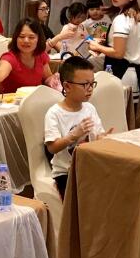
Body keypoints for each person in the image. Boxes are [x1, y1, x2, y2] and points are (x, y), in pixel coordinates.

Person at [44, 57, 109, 199]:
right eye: (85, 84)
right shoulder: (55, 113)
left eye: (92, 84)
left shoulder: (89, 108)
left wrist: (103, 138)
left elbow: (98, 136)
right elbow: (52, 148)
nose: (90, 89)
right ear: (67, 86)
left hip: (91, 166)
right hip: (66, 172)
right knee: (89, 197)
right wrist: (73, 135)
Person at [89, 0, 140, 94]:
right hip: (131, 73)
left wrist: (97, 47)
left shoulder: (122, 19)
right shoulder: (135, 16)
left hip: (122, 72)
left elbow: (118, 53)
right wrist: (105, 45)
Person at [0, 19, 54, 94]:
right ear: (16, 38)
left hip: (36, 99)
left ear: (38, 39)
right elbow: (0, 72)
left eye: (31, 37)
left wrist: (55, 84)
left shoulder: (41, 55)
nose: (26, 41)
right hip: (11, 100)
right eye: (22, 37)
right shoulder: (9, 58)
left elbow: (48, 78)